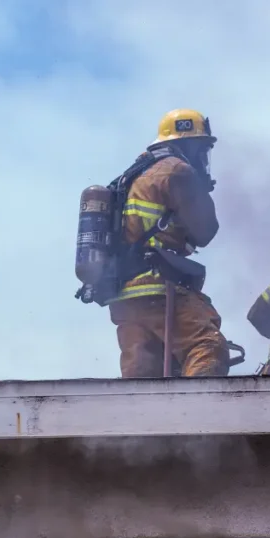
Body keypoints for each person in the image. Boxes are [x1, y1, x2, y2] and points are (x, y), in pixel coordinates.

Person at [106, 108, 229, 377]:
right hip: (161, 287)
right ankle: (195, 413)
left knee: (141, 375)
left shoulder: (134, 176)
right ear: (187, 145)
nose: (203, 158)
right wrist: (198, 191)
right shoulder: (178, 171)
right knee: (208, 347)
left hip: (125, 297)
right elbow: (206, 232)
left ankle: (143, 420)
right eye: (201, 149)